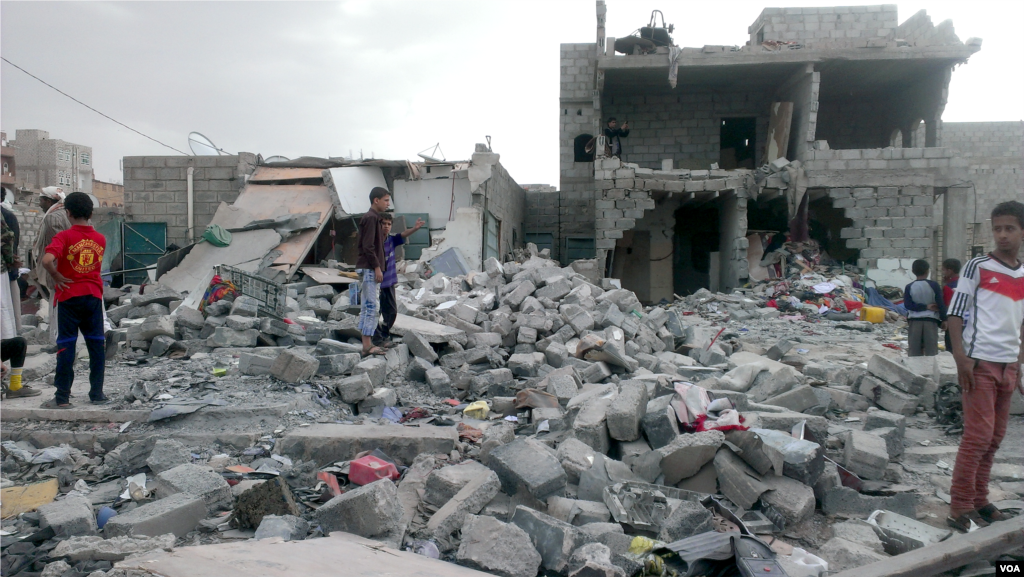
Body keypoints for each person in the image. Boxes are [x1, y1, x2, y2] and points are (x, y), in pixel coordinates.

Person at [946, 201, 1024, 532]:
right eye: (997, 228)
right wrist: (961, 358)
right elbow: (954, 315)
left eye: (1009, 228)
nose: (1002, 235)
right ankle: (960, 505)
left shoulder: (1022, 272)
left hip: (1008, 364)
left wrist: (1019, 365)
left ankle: (980, 500)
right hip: (980, 364)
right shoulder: (977, 266)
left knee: (995, 437)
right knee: (977, 436)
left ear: (1022, 231)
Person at [39, 192, 108, 409]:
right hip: (94, 297)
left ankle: (62, 398)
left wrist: (56, 275)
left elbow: (47, 259)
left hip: (69, 297)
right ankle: (97, 394)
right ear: (91, 213)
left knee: (66, 346)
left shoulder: (65, 237)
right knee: (96, 345)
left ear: (67, 213)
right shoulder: (100, 238)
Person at [373, 213, 425, 348]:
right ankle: (376, 338)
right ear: (378, 225)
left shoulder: (391, 240)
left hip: (389, 282)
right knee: (374, 312)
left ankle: (384, 333)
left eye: (388, 224)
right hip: (376, 283)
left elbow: (403, 234)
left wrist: (415, 228)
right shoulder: (373, 242)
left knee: (391, 311)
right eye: (383, 223)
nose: (386, 226)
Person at [356, 187, 390, 357]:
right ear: (376, 200)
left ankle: (366, 343)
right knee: (372, 307)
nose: (388, 203)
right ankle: (367, 345)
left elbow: (373, 244)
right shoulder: (370, 218)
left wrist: (383, 235)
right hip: (370, 268)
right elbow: (368, 247)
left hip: (368, 267)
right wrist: (377, 267)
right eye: (385, 200)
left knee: (367, 306)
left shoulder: (375, 219)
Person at [904, 259, 945, 357]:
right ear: (928, 271)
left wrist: (924, 307)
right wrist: (944, 319)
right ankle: (931, 370)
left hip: (914, 320)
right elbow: (941, 303)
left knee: (914, 350)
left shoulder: (909, 286)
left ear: (913, 271)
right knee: (931, 350)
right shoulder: (933, 285)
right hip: (931, 320)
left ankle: (914, 370)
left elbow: (908, 305)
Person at [1, 187, 23, 334]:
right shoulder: (6, 215)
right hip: (3, 267)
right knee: (4, 305)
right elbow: (7, 239)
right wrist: (11, 260)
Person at [941, 258, 961, 352]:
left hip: (953, 322)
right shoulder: (966, 283)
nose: (942, 272)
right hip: (967, 322)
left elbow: (947, 306)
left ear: (949, 270)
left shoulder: (948, 287)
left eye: (943, 270)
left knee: (951, 349)